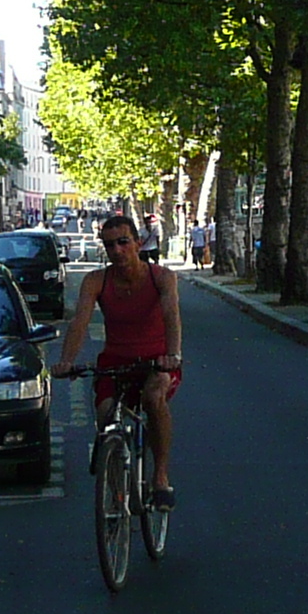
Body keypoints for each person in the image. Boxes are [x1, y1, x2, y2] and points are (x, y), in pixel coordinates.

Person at [53, 213, 184, 506]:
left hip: (156, 360)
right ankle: (116, 490)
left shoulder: (161, 277)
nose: (117, 251)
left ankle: (160, 476)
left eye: (123, 242)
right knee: (105, 414)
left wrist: (172, 356)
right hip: (115, 361)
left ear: (138, 243)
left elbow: (171, 315)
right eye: (109, 245)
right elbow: (80, 322)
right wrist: (66, 360)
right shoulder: (96, 281)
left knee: (153, 397)